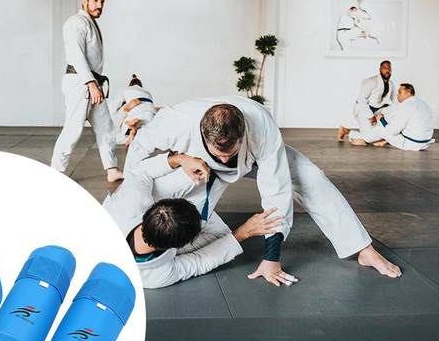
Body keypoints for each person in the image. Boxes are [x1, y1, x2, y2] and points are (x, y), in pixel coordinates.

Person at [122, 96, 401, 286]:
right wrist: (136, 194)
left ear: (242, 135)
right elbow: (139, 152)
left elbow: (276, 190)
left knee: (311, 177)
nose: (224, 159)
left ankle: (362, 248)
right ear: (204, 136)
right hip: (196, 165)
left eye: (229, 152)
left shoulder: (260, 125)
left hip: (252, 158)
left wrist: (272, 257)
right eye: (219, 153)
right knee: (180, 216)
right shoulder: (175, 121)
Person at [104, 171, 289, 288]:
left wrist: (177, 159)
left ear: (150, 211)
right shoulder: (155, 276)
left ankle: (208, 179)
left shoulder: (128, 202)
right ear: (180, 245)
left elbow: (141, 174)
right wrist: (243, 232)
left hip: (138, 210)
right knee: (222, 235)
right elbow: (200, 262)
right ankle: (199, 208)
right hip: (165, 250)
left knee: (173, 179)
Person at [50, 0, 123, 182]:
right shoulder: (75, 22)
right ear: (84, 2)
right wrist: (90, 83)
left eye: (102, 1)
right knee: (73, 129)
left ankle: (112, 169)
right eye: (96, 0)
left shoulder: (89, 23)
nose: (100, 5)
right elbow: (76, 55)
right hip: (80, 83)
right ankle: (55, 171)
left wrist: (94, 84)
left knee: (106, 127)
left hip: (92, 83)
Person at [348, 83, 435, 151]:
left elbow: (392, 131)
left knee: (379, 129)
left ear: (408, 93)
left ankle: (356, 136)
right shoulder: (422, 103)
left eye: (400, 92)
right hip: (425, 143)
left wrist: (381, 119)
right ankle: (384, 140)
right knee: (392, 124)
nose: (397, 95)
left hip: (411, 144)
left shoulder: (406, 106)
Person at [338, 60, 394, 143]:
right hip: (363, 111)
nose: (387, 70)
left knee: (389, 122)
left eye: (389, 68)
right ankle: (346, 131)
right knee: (368, 137)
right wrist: (370, 116)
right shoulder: (371, 81)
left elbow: (390, 101)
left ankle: (382, 138)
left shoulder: (391, 84)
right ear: (380, 69)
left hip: (378, 111)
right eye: (385, 68)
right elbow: (361, 100)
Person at [111, 74, 158, 146]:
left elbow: (114, 106)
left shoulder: (127, 90)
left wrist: (116, 116)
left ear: (130, 85)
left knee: (116, 136)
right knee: (147, 133)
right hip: (150, 114)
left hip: (135, 111)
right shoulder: (147, 92)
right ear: (140, 85)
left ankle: (131, 131)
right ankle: (134, 130)